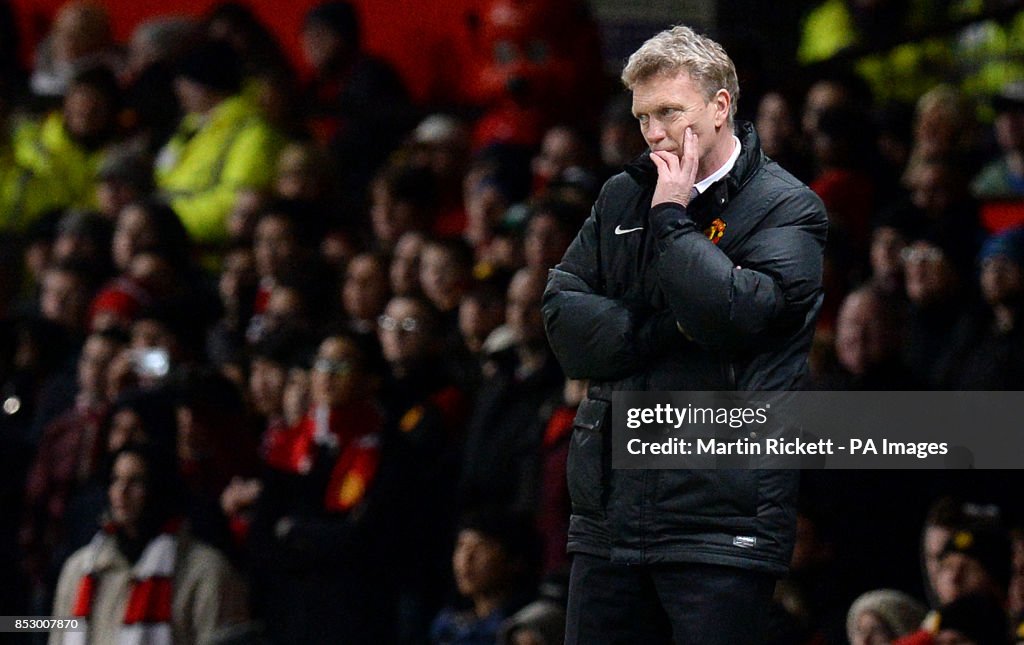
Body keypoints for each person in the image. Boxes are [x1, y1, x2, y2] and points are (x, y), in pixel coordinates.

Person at [542, 25, 828, 644]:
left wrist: (671, 219)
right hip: (610, 521)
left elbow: (727, 318)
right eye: (644, 116)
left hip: (720, 526)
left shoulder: (787, 208)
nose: (653, 134)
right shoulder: (621, 197)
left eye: (670, 112)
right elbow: (563, 320)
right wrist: (661, 328)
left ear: (721, 106)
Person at [50, 443, 248, 644]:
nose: (121, 491)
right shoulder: (79, 569)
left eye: (136, 481)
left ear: (158, 488)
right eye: (115, 479)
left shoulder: (206, 572)